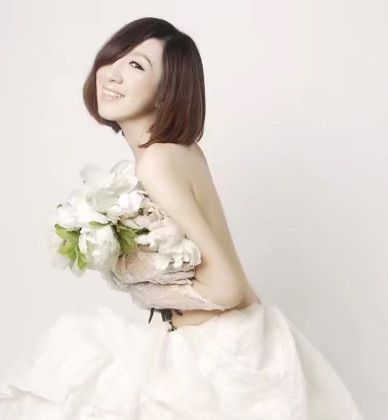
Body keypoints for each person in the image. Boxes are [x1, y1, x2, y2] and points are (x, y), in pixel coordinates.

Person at [0, 17, 366, 419]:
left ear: (166, 93)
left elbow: (227, 287)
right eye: (113, 58)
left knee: (70, 361)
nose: (112, 73)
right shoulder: (181, 151)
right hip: (237, 337)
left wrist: (137, 286)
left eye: (136, 65)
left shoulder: (156, 162)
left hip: (215, 358)